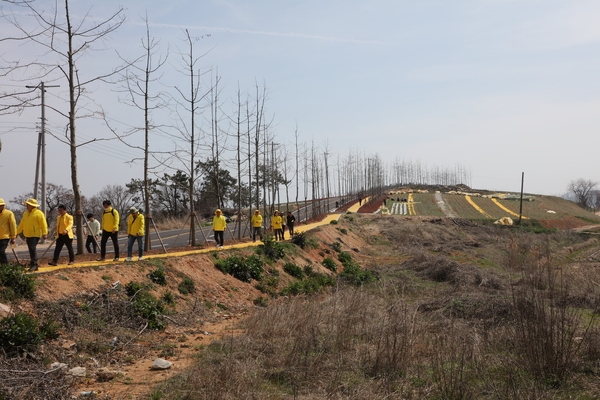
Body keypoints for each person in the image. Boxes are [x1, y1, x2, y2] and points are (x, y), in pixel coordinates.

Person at [17, 198, 48, 271]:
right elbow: (22, 224)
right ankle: (34, 265)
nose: (27, 206)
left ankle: (34, 264)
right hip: (27, 234)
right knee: (31, 249)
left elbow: (43, 224)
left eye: (28, 204)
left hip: (35, 234)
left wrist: (45, 233)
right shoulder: (25, 213)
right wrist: (17, 232)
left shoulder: (39, 213)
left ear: (32, 205)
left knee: (32, 249)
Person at [0, 198, 17, 265]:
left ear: (3, 206)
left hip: (5, 236)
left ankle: (5, 266)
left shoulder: (9, 214)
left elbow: (13, 225)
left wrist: (13, 237)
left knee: (1, 251)